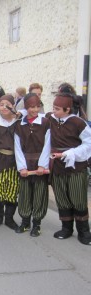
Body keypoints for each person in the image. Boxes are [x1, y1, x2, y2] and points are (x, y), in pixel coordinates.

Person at [47, 93, 91, 245]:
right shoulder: (50, 119)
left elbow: (88, 143)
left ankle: (84, 231)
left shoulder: (78, 123)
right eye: (53, 107)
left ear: (67, 109)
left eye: (57, 109)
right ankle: (66, 228)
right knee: (62, 198)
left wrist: (70, 153)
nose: (54, 111)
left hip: (76, 167)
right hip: (57, 167)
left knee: (78, 198)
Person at [14, 93, 50, 237]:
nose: (34, 110)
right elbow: (17, 147)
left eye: (36, 107)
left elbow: (48, 145)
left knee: (39, 194)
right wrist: (22, 166)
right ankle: (25, 221)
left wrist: (42, 165)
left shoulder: (46, 122)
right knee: (24, 194)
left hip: (40, 162)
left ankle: (37, 224)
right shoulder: (19, 124)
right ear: (26, 107)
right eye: (31, 107)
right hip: (25, 162)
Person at [0, 95, 20, 230]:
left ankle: (9, 218)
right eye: (1, 104)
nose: (4, 107)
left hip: (14, 159)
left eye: (7, 104)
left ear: (13, 106)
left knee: (12, 189)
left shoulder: (19, 121)